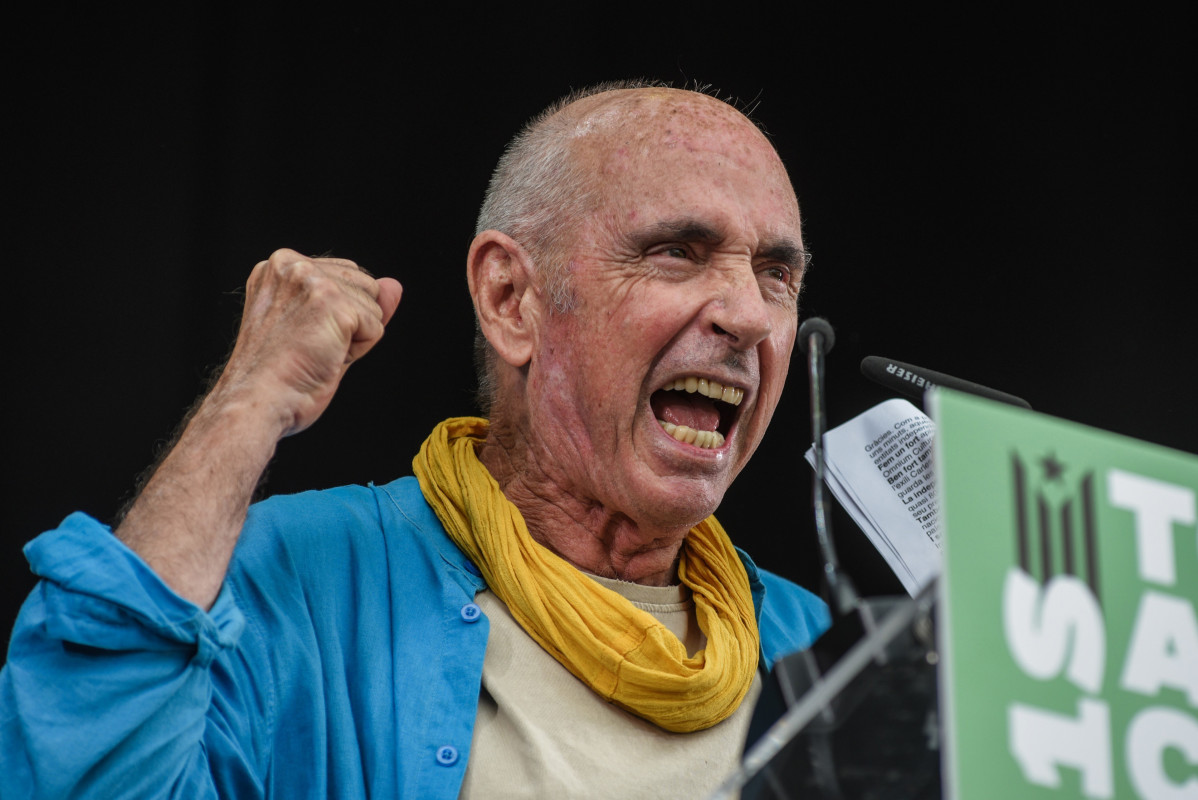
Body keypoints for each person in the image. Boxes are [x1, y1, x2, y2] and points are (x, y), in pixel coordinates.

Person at [1, 81, 830, 799]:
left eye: (775, 274)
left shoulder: (823, 653)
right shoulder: (297, 580)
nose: (749, 315)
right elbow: (78, 772)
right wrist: (248, 400)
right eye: (677, 252)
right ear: (512, 299)